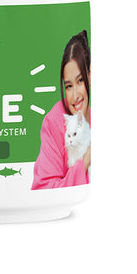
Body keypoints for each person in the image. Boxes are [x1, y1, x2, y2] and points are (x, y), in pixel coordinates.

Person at [31, 30, 91, 190]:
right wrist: (86, 160)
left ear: (90, 74)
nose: (75, 95)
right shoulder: (55, 120)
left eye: (80, 81)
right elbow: (44, 189)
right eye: (69, 86)